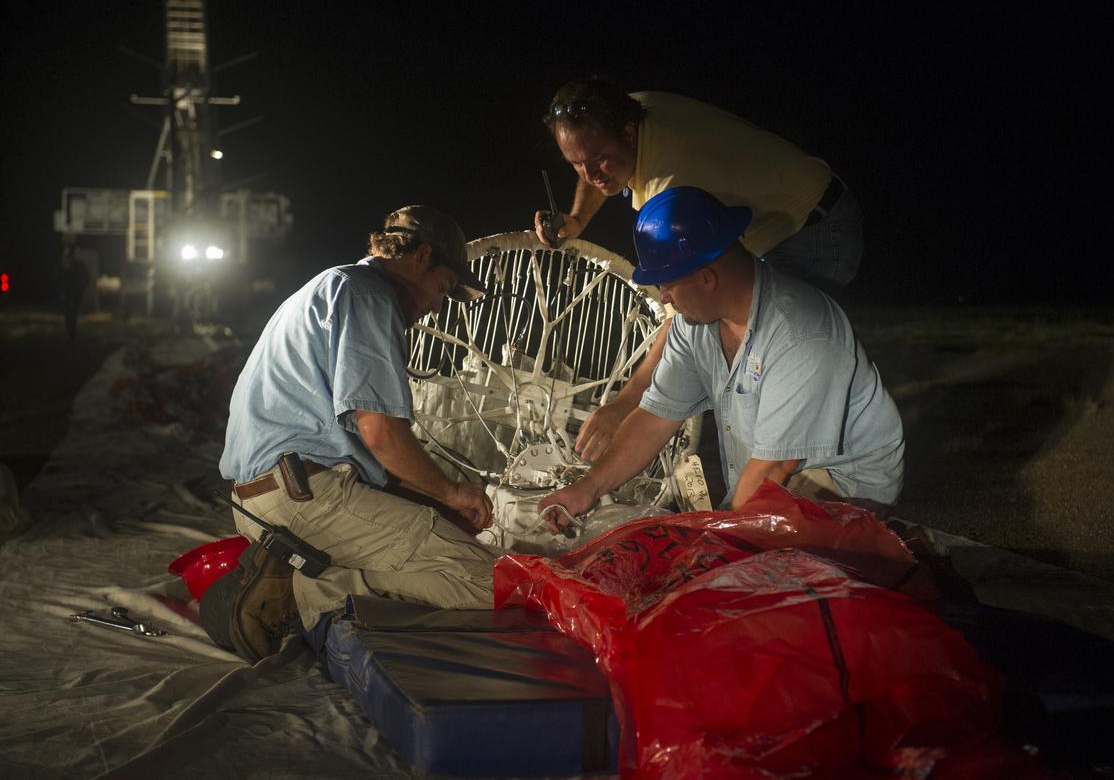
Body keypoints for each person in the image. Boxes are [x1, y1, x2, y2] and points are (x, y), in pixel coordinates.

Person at [204, 206, 497, 664]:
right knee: (489, 581)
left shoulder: (330, 285)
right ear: (421, 256)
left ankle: (293, 569)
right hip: (304, 498)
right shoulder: (370, 296)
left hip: (260, 498)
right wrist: (453, 492)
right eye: (443, 288)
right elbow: (380, 434)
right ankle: (307, 592)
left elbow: (367, 457)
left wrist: (434, 503)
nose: (438, 305)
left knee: (434, 539)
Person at [532, 80, 864, 461]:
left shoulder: (672, 185)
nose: (589, 174)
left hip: (811, 229)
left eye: (599, 160)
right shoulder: (623, 111)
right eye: (575, 163)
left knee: (770, 352)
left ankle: (817, 467)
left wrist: (623, 406)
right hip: (764, 228)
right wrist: (577, 219)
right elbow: (592, 158)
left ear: (628, 131)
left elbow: (680, 316)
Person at [539, 186, 904, 530]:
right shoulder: (694, 322)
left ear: (707, 278)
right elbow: (655, 416)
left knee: (733, 573)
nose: (664, 298)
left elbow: (776, 466)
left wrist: (719, 537)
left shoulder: (801, 332)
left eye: (666, 285)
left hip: (840, 487)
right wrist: (585, 489)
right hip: (771, 475)